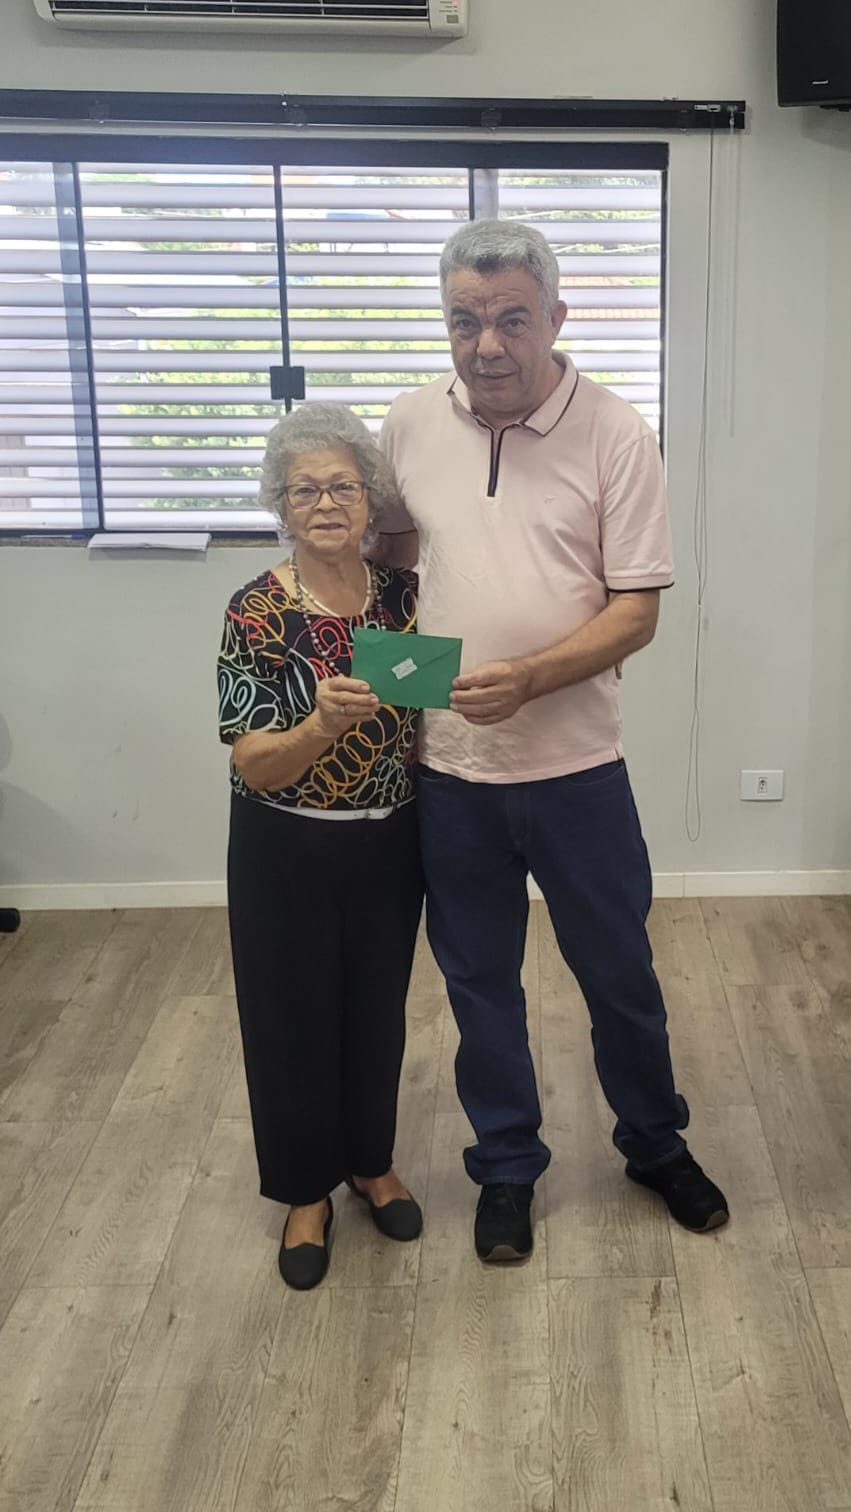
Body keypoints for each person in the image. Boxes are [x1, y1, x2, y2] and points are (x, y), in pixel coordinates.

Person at [380, 220, 729, 1262]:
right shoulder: (408, 422)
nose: (485, 345)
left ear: (555, 318)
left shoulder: (614, 431)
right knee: (477, 984)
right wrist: (407, 694)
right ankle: (505, 1166)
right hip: (451, 778)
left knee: (618, 976)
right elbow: (395, 577)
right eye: (463, 320)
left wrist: (531, 676)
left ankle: (654, 1144)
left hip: (577, 774)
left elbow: (636, 611)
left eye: (510, 320)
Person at [218, 402, 424, 1291]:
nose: (326, 504)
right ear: (281, 505)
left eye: (342, 486)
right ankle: (306, 1191)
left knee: (376, 1008)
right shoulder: (256, 610)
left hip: (391, 842)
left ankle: (370, 1163)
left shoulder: (404, 598)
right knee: (290, 1018)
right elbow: (253, 762)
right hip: (285, 848)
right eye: (304, 490)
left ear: (371, 498)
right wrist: (318, 728)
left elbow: (425, 716)